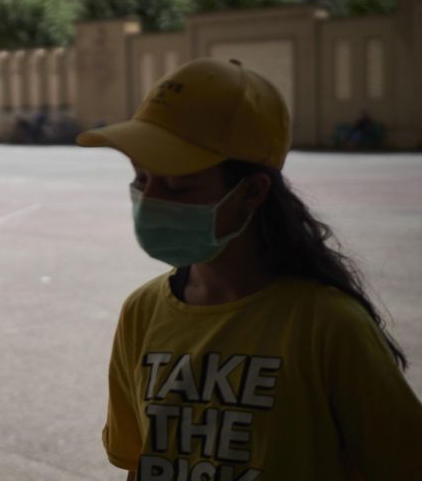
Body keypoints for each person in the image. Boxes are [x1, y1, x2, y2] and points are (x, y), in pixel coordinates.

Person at [76, 58, 422, 481]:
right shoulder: (142, 312)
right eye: (141, 178)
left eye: (179, 185)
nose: (151, 200)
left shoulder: (327, 325)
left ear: (252, 192)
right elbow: (139, 462)